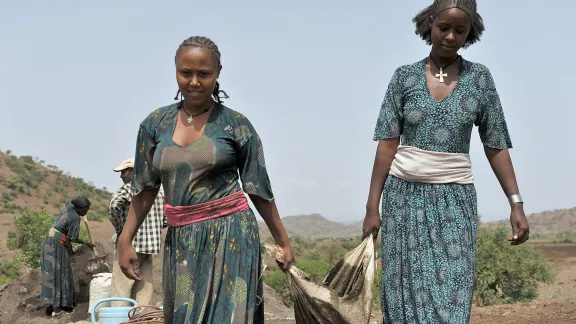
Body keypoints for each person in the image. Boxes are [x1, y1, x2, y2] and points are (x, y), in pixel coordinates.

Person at [361, 1, 530, 323]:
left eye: (460, 30)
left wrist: (515, 202)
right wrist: (373, 207)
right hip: (404, 199)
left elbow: (495, 144)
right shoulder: (404, 77)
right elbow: (387, 143)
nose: (450, 36)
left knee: (452, 285)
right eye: (444, 28)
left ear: (471, 33)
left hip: (455, 198)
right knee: (403, 289)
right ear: (429, 26)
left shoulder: (479, 79)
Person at [117, 36, 295, 323]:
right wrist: (124, 240)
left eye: (204, 74)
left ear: (219, 72)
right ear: (175, 70)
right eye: (186, 73)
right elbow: (144, 188)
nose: (194, 82)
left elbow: (258, 189)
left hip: (232, 237)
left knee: (230, 317)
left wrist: (283, 241)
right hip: (181, 242)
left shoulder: (236, 125)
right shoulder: (154, 124)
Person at [108, 158, 166, 307]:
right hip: (148, 248)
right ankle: (142, 319)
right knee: (144, 288)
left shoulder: (131, 187)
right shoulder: (159, 191)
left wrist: (121, 230)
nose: (121, 176)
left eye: (124, 172)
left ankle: (119, 320)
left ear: (134, 172)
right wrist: (156, 229)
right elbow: (167, 217)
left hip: (130, 246)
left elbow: (114, 205)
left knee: (121, 289)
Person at [40, 196, 95, 316]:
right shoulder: (75, 218)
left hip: (49, 242)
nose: (85, 213)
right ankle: (58, 307)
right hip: (57, 246)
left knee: (53, 273)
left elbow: (68, 200)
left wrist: (81, 209)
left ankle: (56, 304)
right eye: (84, 211)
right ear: (77, 208)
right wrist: (87, 243)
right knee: (60, 274)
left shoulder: (70, 206)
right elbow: (73, 238)